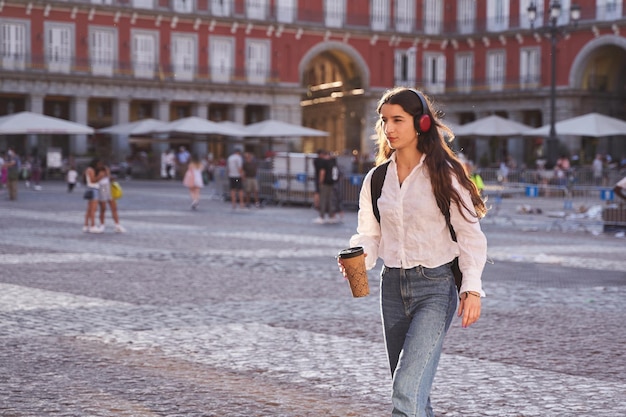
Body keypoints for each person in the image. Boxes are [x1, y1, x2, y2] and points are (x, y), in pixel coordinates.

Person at [339, 87, 487, 417]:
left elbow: (470, 235)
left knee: (406, 388)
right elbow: (370, 234)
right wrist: (359, 255)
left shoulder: (446, 175)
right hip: (391, 288)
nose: (388, 128)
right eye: (384, 121)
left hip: (435, 289)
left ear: (420, 123)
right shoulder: (376, 179)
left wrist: (471, 288)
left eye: (397, 120)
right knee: (415, 390)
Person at [96, 159, 126, 233]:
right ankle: (102, 225)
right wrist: (101, 176)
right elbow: (94, 180)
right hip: (102, 188)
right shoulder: (96, 171)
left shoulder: (106, 169)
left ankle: (117, 225)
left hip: (108, 187)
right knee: (103, 208)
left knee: (114, 207)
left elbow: (109, 178)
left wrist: (110, 176)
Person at [83, 158, 105, 233]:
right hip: (93, 189)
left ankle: (86, 225)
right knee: (93, 209)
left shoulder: (88, 169)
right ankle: (93, 225)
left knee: (89, 209)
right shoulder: (91, 170)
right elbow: (93, 180)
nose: (100, 166)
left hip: (90, 188)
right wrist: (100, 176)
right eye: (99, 164)